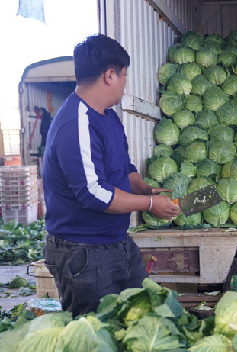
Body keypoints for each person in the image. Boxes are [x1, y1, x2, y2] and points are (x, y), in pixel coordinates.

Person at [42, 34, 181, 317]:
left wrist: (143, 188)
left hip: (115, 241)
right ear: (109, 75)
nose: (124, 82)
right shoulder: (76, 123)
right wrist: (151, 206)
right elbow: (94, 193)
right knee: (97, 338)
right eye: (124, 76)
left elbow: (121, 167)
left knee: (141, 317)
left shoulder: (107, 115)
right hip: (83, 251)